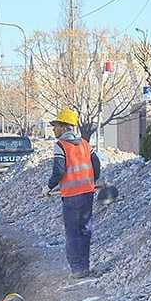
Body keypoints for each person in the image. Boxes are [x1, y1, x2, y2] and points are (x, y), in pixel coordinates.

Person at [44, 108, 101, 279]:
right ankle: (85, 267)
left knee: (72, 232)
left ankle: (76, 269)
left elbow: (59, 171)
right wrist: (92, 180)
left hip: (71, 196)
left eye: (55, 126)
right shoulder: (84, 143)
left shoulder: (61, 145)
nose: (54, 129)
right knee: (85, 230)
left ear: (63, 127)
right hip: (87, 193)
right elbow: (96, 165)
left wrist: (48, 187)